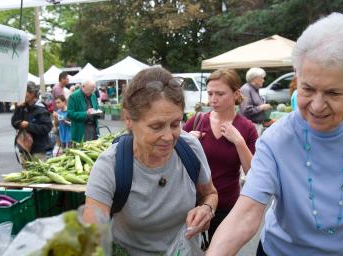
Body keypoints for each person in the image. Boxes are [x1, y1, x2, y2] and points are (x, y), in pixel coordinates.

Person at [206, 13, 343, 256]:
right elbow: (245, 214)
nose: (316, 106)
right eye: (307, 88)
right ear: (297, 76)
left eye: (333, 93)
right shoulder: (276, 139)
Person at [83, 67, 218, 255]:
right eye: (156, 126)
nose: (169, 137)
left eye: (175, 124)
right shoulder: (110, 166)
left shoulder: (190, 148)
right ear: (128, 119)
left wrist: (207, 208)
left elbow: (210, 193)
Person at [183, 69, 258, 246]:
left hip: (227, 205)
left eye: (220, 93)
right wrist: (186, 144)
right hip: (194, 203)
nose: (213, 99)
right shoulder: (196, 121)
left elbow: (253, 173)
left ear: (236, 94)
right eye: (210, 93)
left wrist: (239, 141)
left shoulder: (247, 128)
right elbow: (171, 160)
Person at [11, 81, 53, 161]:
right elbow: (14, 123)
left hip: (38, 151)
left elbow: (47, 128)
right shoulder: (22, 107)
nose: (22, 95)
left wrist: (29, 125)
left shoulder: (41, 109)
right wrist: (18, 108)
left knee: (38, 173)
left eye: (25, 92)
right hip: (24, 150)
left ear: (32, 93)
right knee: (26, 173)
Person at [239, 67, 272, 134]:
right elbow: (246, 110)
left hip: (256, 126)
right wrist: (261, 107)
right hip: (250, 127)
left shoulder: (254, 89)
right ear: (254, 78)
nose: (263, 80)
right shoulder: (246, 89)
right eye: (261, 78)